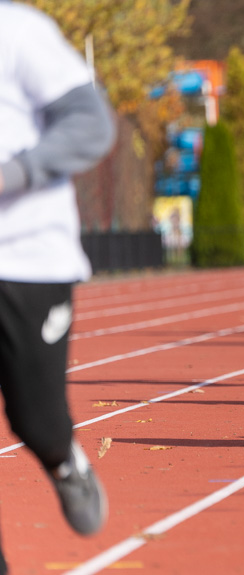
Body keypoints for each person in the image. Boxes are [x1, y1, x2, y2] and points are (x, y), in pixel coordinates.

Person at [0, 3, 116, 573]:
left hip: (26, 256)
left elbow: (92, 124)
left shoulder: (18, 30)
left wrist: (15, 172)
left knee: (35, 420)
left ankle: (61, 457)